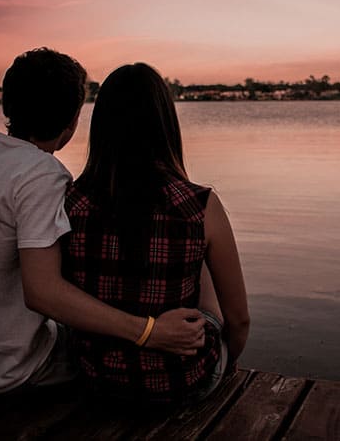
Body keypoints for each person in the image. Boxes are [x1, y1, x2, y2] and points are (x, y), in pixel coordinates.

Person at [0, 48, 205, 393]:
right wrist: (148, 331)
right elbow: (43, 294)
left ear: (7, 107)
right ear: (72, 123)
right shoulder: (42, 174)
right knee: (105, 349)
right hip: (2, 370)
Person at [62, 62, 250, 404]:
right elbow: (239, 321)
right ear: (165, 124)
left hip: (95, 380)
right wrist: (228, 363)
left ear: (101, 126)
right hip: (179, 384)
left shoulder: (70, 201)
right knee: (203, 260)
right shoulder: (200, 205)